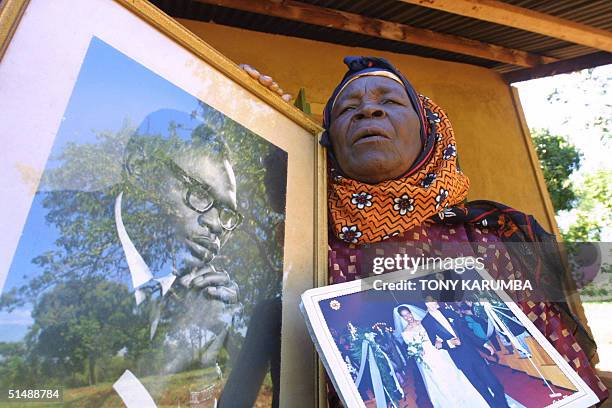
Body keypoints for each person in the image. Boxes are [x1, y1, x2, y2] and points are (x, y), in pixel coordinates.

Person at [241, 56, 608, 406]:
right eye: (347, 109)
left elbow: (564, 378)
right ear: (330, 143)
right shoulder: (303, 249)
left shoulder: (496, 240)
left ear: (428, 129)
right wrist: (257, 118)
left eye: (389, 101)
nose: (368, 110)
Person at [116, 109, 240, 369]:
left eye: (227, 213)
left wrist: (215, 347)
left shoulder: (196, 294)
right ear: (140, 167)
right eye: (200, 193)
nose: (216, 224)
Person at [393, 304, 490, 408]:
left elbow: (438, 334)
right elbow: (412, 348)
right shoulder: (405, 333)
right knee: (441, 381)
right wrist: (417, 351)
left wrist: (440, 340)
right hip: (428, 359)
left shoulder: (425, 322)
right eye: (405, 316)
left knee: (454, 373)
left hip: (441, 352)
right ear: (401, 318)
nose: (408, 317)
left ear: (411, 313)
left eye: (408, 314)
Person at [419, 300, 507, 407]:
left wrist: (484, 344)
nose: (436, 302)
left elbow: (467, 331)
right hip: (459, 358)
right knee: (482, 388)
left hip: (472, 353)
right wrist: (449, 343)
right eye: (432, 300)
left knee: (495, 384)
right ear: (427, 303)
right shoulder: (426, 322)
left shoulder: (448, 312)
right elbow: (435, 342)